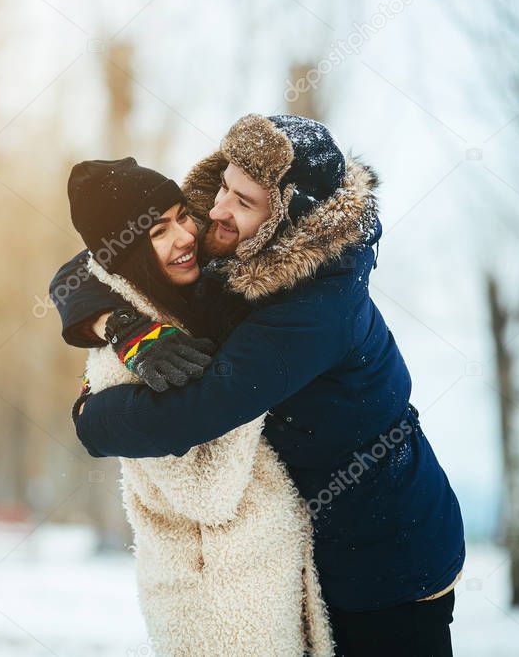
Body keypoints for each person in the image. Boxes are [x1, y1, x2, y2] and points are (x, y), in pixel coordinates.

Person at [51, 115, 465, 657]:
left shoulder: (314, 308)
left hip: (389, 556)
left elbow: (198, 411)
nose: (216, 210)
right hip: (319, 547)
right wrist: (116, 326)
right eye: (223, 185)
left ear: (288, 220)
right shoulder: (230, 238)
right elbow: (93, 261)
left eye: (244, 202)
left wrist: (92, 419)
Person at [66, 157, 332, 656]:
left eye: (182, 214)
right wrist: (252, 383)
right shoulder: (123, 363)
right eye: (158, 231)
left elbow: (75, 275)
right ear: (124, 255)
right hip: (214, 602)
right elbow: (205, 491)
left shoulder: (184, 294)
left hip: (254, 578)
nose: (187, 235)